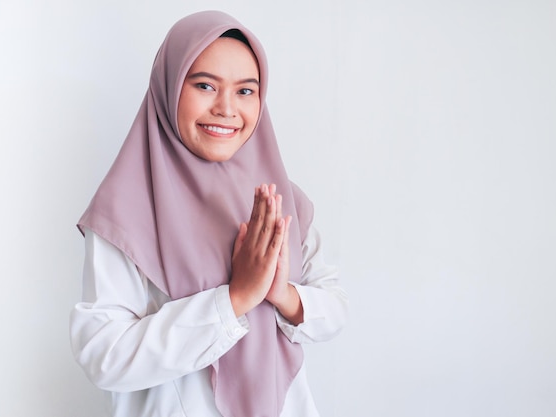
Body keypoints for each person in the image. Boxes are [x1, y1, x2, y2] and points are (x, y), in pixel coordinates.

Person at [70, 10, 348, 417]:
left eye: (245, 91)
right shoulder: (126, 213)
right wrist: (234, 299)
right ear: (168, 87)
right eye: (205, 85)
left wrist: (282, 295)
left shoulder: (281, 201)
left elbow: (334, 309)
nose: (226, 109)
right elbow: (103, 356)